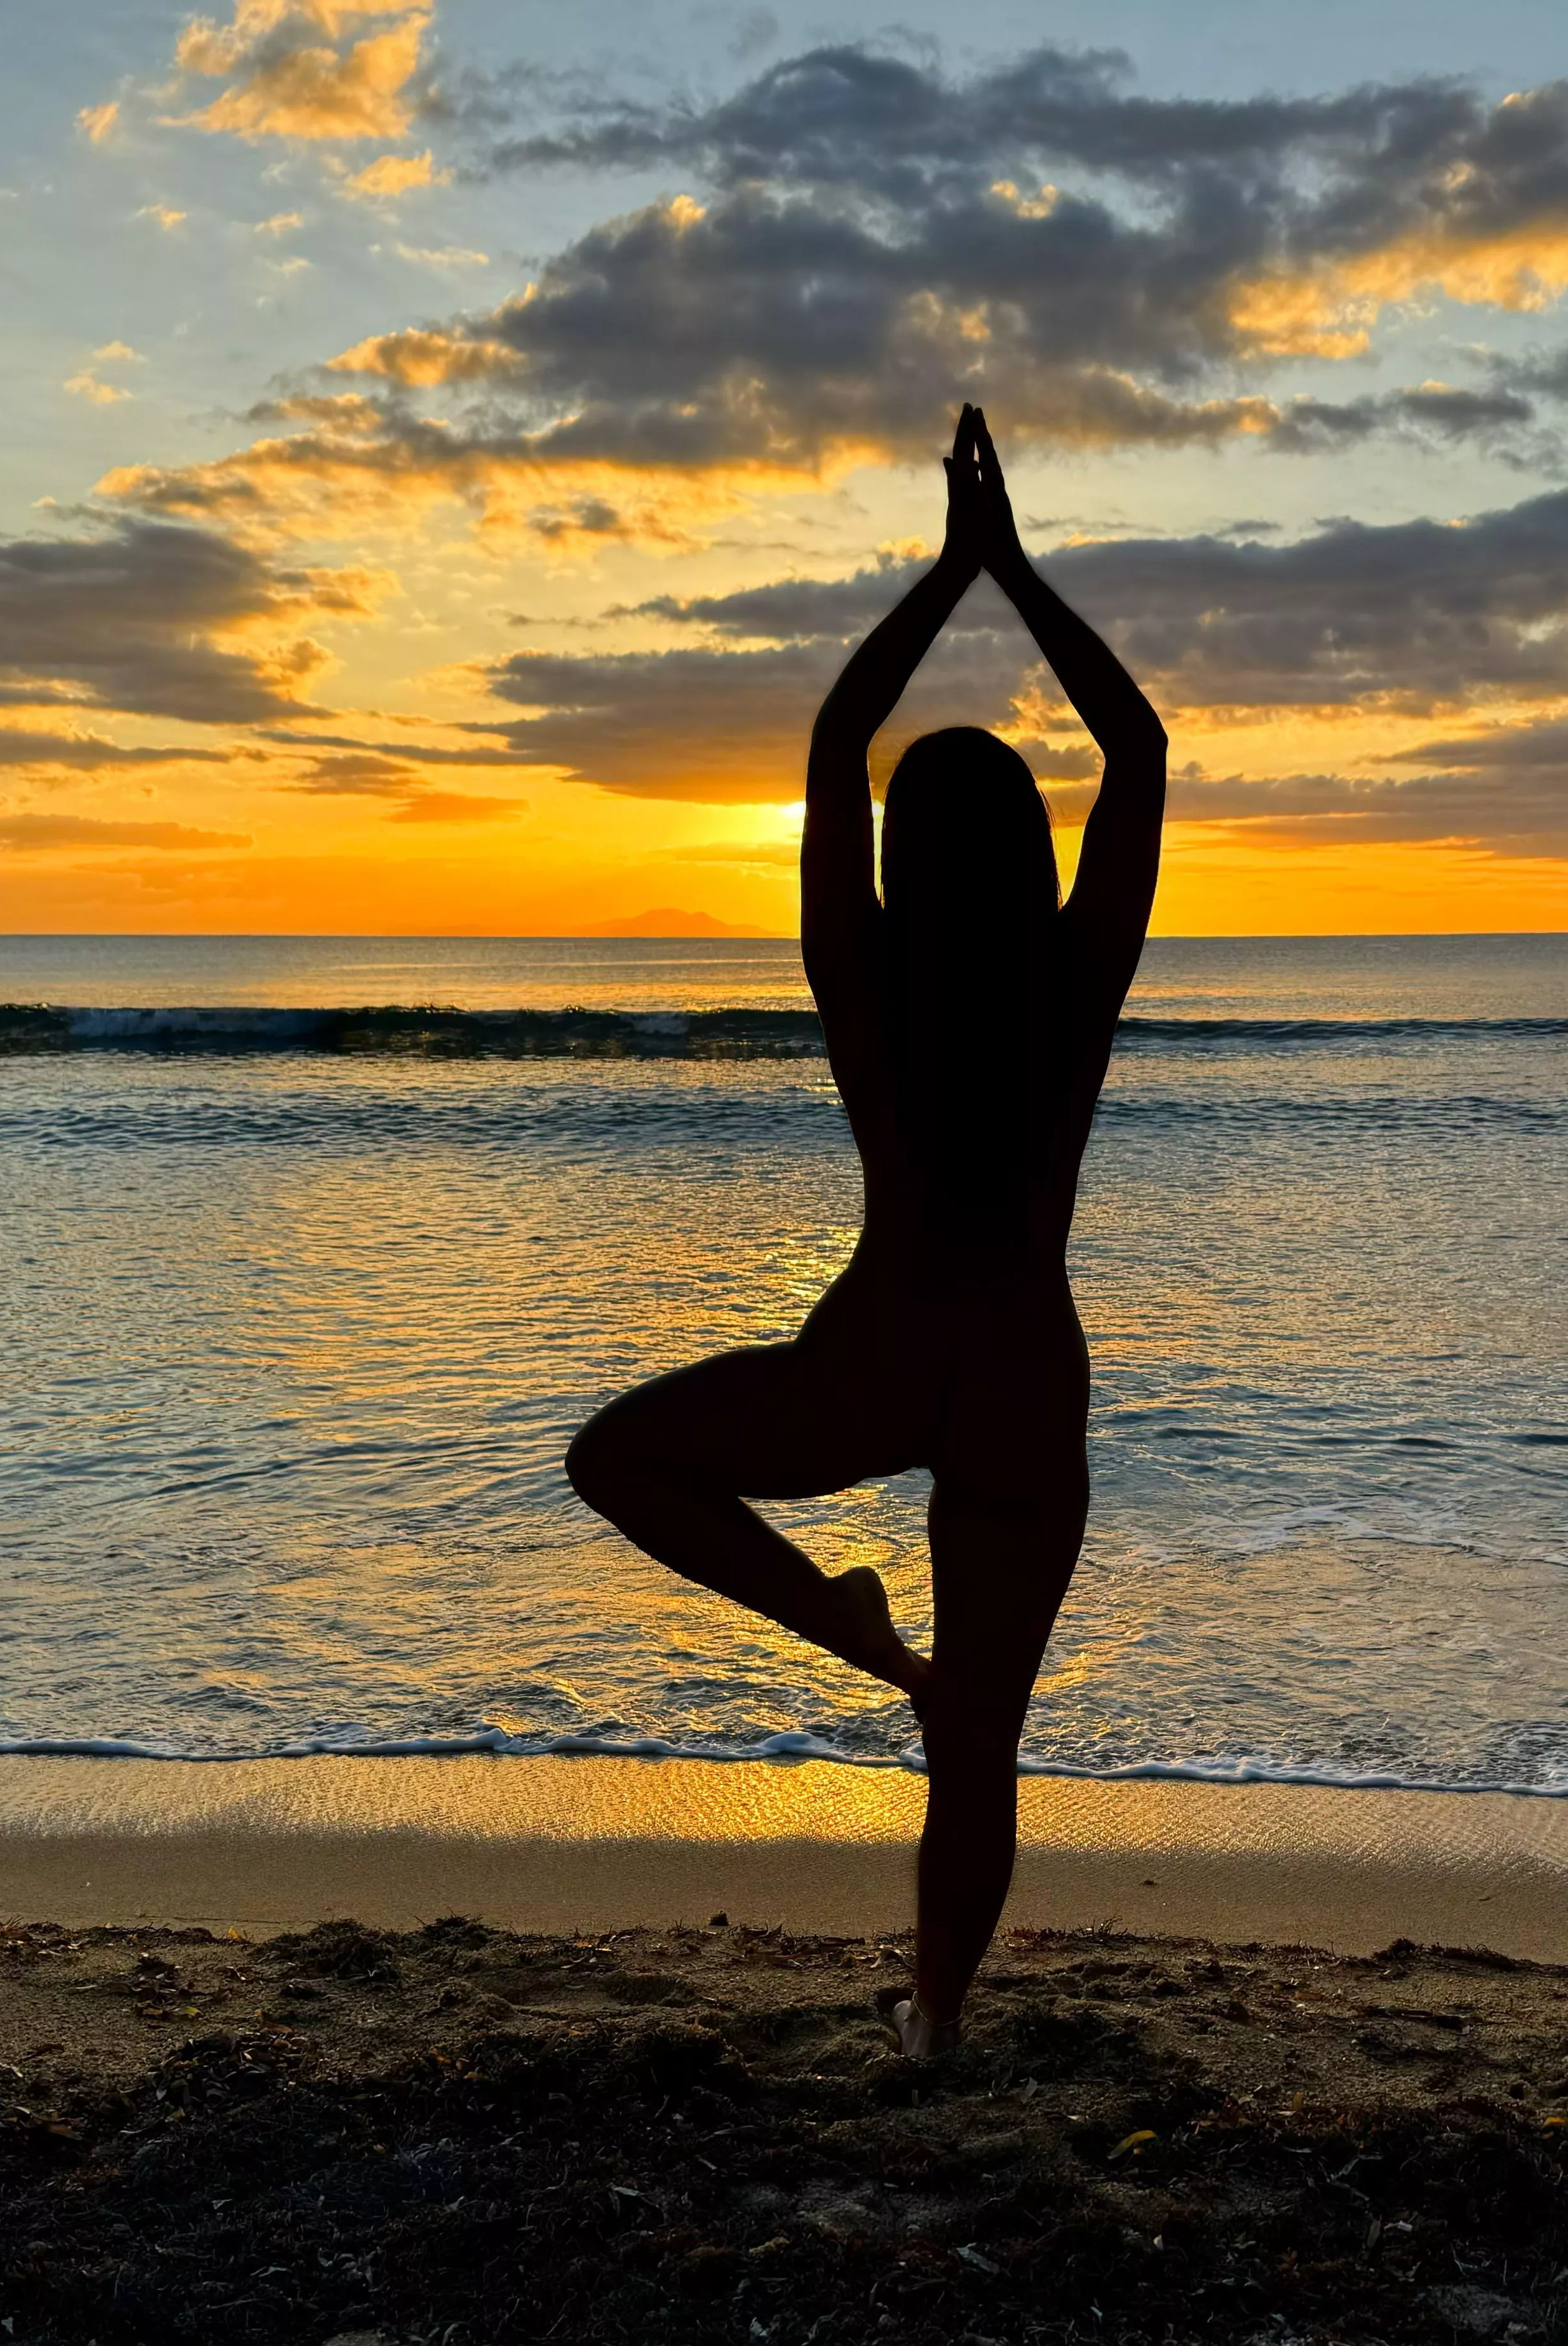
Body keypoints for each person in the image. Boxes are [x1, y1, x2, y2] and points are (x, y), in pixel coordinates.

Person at [566, 405, 1166, 2056]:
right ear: (1034, 860)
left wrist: (943, 575)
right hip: (1026, 1373)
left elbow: (835, 753)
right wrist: (1016, 576)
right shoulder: (1071, 981)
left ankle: (834, 1618)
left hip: (888, 1344)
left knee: (622, 1457)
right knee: (979, 1740)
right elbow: (1143, 755)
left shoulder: (873, 982)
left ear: (902, 861)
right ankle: (936, 2021)